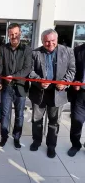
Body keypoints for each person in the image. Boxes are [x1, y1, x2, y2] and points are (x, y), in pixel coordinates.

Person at [29, 29, 75, 158]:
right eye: (46, 41)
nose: (50, 44)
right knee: (36, 119)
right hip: (39, 92)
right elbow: (30, 71)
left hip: (58, 93)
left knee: (54, 122)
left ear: (57, 39)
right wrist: (39, 81)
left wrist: (65, 82)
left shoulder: (68, 51)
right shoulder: (35, 53)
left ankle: (51, 146)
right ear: (42, 41)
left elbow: (72, 70)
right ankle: (36, 141)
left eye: (52, 41)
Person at [0, 23, 32, 149]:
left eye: (16, 33)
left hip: (21, 88)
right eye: (11, 34)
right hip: (7, 87)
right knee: (5, 114)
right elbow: (0, 66)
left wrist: (15, 76)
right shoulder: (3, 49)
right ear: (8, 35)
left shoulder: (27, 49)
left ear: (20, 33)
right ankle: (4, 137)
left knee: (19, 115)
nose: (14, 36)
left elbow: (27, 68)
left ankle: (17, 138)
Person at [67, 43, 85, 157]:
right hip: (80, 93)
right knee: (76, 121)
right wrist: (75, 81)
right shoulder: (78, 50)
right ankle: (75, 144)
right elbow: (71, 69)